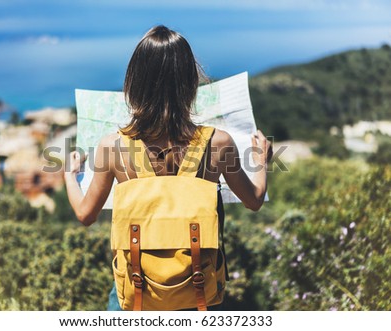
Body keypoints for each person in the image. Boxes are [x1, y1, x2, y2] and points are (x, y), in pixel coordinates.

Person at [64, 25, 271, 310]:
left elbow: (85, 214)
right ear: (190, 83)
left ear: (134, 83)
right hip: (199, 293)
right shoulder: (218, 143)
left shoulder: (112, 147)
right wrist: (261, 162)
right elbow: (255, 199)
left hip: (135, 295)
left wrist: (69, 174)